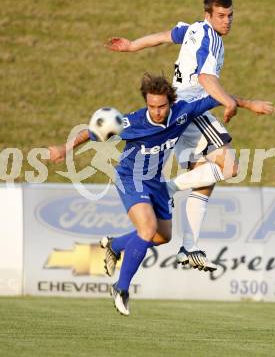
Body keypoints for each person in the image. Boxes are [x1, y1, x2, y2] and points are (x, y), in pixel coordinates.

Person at [104, 0, 275, 268]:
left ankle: (186, 247)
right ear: (208, 15)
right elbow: (206, 78)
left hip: (178, 110)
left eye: (230, 16)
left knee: (204, 178)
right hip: (190, 108)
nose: (227, 21)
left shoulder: (192, 28)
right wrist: (231, 102)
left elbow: (163, 37)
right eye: (220, 16)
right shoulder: (211, 38)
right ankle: (167, 189)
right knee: (229, 167)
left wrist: (133, 45)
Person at [49, 73, 236, 316]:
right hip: (131, 178)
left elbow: (217, 97)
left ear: (170, 101)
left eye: (161, 106)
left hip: (156, 181)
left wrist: (248, 104)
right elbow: (92, 131)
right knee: (147, 229)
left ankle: (115, 245)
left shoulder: (183, 112)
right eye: (151, 106)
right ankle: (121, 288)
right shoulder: (132, 122)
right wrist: (65, 148)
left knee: (162, 237)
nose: (157, 111)